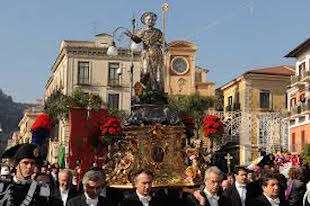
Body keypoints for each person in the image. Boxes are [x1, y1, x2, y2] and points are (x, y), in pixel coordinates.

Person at [126, 11, 164, 93]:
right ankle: (144, 90)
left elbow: (163, 42)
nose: (150, 21)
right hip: (146, 53)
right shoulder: (142, 31)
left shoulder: (158, 32)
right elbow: (137, 40)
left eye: (152, 19)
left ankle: (156, 89)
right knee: (145, 71)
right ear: (145, 21)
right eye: (149, 19)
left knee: (156, 72)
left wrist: (165, 46)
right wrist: (131, 36)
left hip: (156, 53)